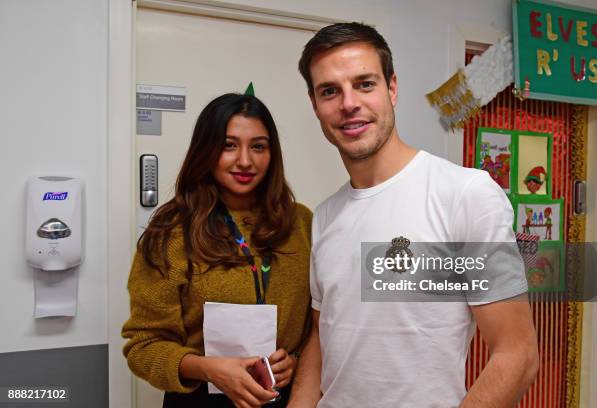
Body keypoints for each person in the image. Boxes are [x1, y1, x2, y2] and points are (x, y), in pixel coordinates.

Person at [288, 23, 539, 407]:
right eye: (330, 91)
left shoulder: (465, 194)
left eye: (365, 84)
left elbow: (517, 356)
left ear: (392, 88)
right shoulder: (325, 216)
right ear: (315, 105)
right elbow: (322, 337)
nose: (349, 103)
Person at [122, 93, 312, 408]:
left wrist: (294, 359)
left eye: (258, 146)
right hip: (200, 399)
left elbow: (318, 328)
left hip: (287, 398)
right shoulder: (172, 232)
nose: (245, 161)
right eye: (229, 145)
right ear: (206, 150)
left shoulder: (301, 223)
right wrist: (209, 368)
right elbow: (143, 347)